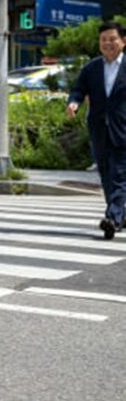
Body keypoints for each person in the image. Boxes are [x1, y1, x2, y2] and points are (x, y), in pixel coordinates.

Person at [67, 21, 126, 240]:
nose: (108, 43)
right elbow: (78, 90)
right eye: (104, 40)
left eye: (112, 39)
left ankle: (111, 217)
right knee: (106, 175)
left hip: (124, 130)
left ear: (123, 41)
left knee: (120, 175)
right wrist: (74, 103)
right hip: (99, 129)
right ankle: (120, 215)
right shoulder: (91, 68)